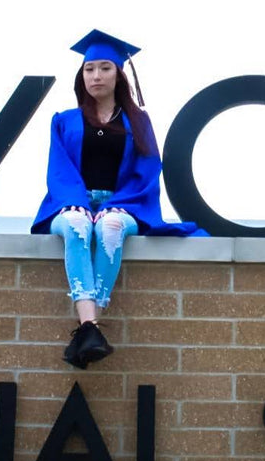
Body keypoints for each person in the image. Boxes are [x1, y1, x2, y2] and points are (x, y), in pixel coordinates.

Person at [31, 30, 206, 368]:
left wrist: (117, 204)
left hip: (124, 202)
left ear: (119, 74)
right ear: (81, 75)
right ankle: (91, 327)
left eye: (105, 68)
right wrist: (75, 200)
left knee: (110, 227)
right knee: (78, 223)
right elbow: (59, 170)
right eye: (89, 69)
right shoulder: (64, 121)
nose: (96, 76)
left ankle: (87, 330)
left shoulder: (138, 121)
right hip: (69, 203)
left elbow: (147, 169)